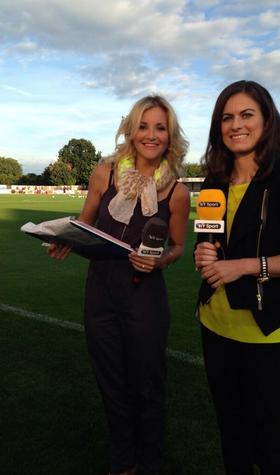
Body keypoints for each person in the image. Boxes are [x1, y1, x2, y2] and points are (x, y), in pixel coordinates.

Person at [48, 95, 190, 475]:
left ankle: (151, 460)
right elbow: (85, 226)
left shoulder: (177, 191)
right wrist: (66, 239)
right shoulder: (105, 173)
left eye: (160, 127)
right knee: (111, 381)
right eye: (143, 125)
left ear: (170, 135)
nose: (151, 135)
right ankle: (124, 460)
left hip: (145, 296)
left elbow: (178, 246)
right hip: (101, 293)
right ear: (130, 129)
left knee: (147, 384)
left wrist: (161, 260)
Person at [194, 80, 280, 475]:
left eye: (247, 114)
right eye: (227, 117)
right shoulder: (213, 181)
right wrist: (205, 253)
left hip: (265, 331)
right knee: (231, 436)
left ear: (267, 121)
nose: (236, 124)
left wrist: (247, 266)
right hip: (214, 324)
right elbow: (211, 242)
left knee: (268, 445)